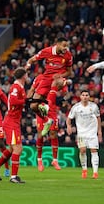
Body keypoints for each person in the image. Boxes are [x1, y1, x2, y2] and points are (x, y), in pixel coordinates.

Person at [25, 36, 73, 171]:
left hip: (54, 93)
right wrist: (28, 64)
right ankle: (39, 160)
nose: (65, 48)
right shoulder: (46, 52)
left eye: (67, 46)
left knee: (53, 134)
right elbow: (32, 59)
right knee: (34, 108)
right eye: (63, 45)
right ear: (56, 44)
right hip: (45, 84)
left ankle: (55, 160)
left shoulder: (68, 56)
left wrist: (61, 76)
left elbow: (69, 72)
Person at [0, 67, 28, 183]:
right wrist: (25, 101)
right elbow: (13, 101)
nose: (27, 76)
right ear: (23, 76)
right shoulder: (16, 87)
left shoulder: (19, 87)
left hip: (13, 121)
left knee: (12, 149)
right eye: (26, 74)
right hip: (11, 122)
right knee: (18, 148)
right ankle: (13, 176)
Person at [66, 90, 102, 179]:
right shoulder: (76, 107)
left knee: (94, 150)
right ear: (80, 97)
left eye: (87, 95)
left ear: (89, 96)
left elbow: (98, 118)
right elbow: (69, 118)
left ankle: (95, 172)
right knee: (82, 150)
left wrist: (99, 132)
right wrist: (69, 126)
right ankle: (84, 169)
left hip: (92, 133)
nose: (85, 97)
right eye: (83, 95)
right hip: (81, 133)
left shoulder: (94, 107)